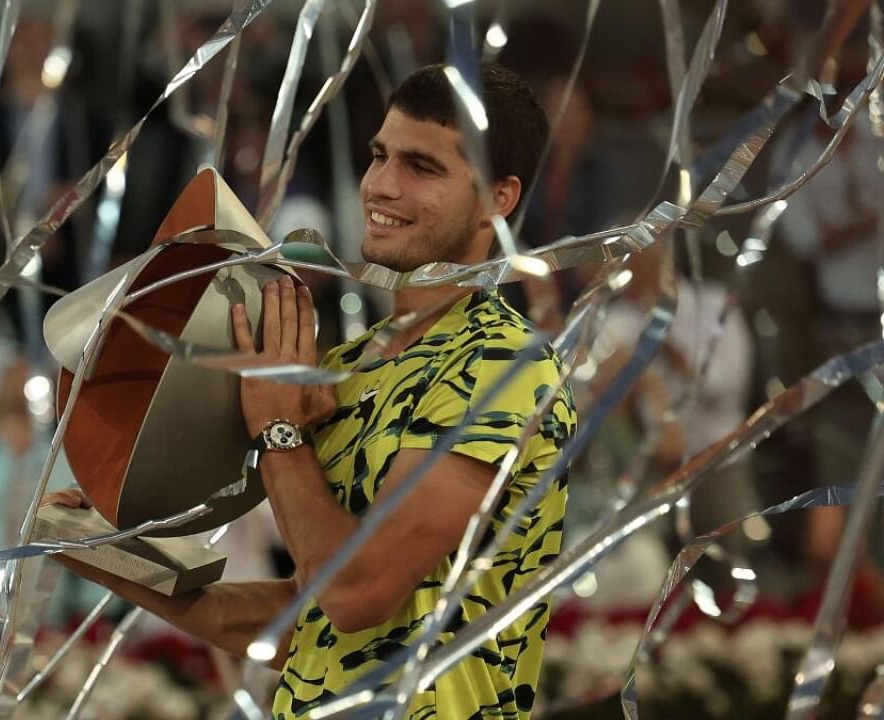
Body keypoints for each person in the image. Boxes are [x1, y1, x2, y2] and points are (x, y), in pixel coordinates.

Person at [45, 63, 575, 719]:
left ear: (499, 198)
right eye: (379, 155)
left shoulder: (508, 365)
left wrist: (278, 431)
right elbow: (306, 618)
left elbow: (356, 595)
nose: (381, 184)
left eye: (422, 167)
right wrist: (113, 558)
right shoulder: (352, 365)